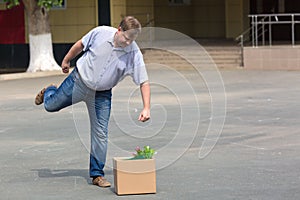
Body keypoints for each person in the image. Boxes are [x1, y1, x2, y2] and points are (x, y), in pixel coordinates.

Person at [34, 16, 151, 188]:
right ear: (119, 30)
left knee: (100, 133)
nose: (128, 43)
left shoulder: (134, 53)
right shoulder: (101, 32)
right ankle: (50, 91)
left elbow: (144, 81)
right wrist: (66, 60)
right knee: (50, 106)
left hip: (102, 96)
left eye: (131, 40)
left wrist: (146, 107)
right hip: (78, 82)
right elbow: (80, 45)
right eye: (126, 38)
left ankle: (97, 174)